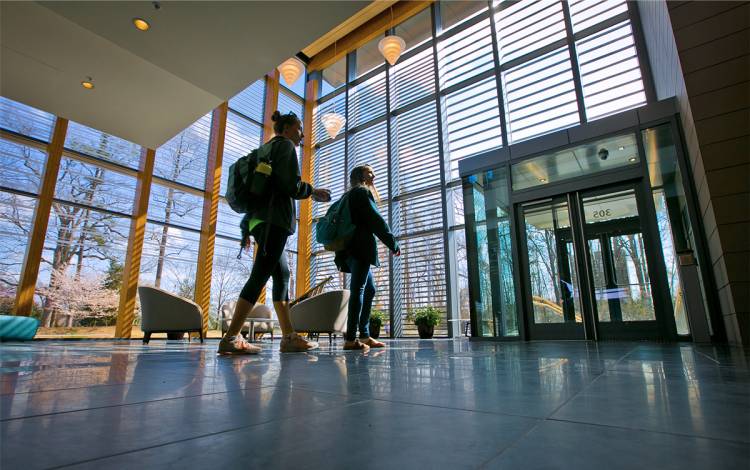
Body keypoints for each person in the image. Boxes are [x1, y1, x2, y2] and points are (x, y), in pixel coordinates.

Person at [219, 111, 330, 355]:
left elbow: (262, 191)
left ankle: (289, 336)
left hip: (263, 221)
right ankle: (230, 338)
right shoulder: (285, 147)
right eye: (299, 129)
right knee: (260, 275)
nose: (302, 135)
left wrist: (247, 229)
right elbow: (290, 185)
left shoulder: (265, 150)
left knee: (282, 275)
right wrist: (313, 191)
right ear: (288, 128)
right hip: (274, 222)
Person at [335, 165, 400, 351]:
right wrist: (392, 243)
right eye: (370, 172)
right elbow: (376, 220)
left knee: (369, 289)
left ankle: (364, 335)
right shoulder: (361, 192)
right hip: (359, 248)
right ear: (360, 176)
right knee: (358, 290)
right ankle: (351, 339)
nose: (374, 175)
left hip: (348, 250)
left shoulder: (346, 195)